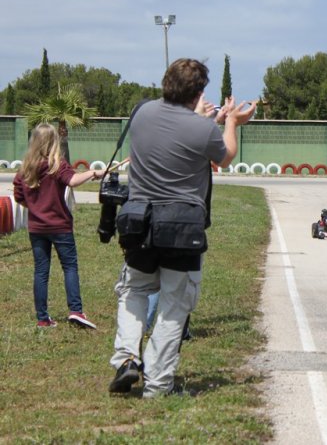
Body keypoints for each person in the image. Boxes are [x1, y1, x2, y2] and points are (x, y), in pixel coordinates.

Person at [108, 58, 255, 398]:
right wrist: (232, 122)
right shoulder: (203, 129)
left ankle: (127, 357)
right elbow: (225, 156)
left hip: (139, 221)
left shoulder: (140, 113)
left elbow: (174, 135)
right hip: (182, 227)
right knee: (174, 304)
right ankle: (158, 384)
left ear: (166, 83)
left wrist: (210, 120)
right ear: (199, 92)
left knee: (134, 290)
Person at [13, 123, 102, 329]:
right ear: (54, 142)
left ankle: (42, 318)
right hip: (60, 226)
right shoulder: (57, 165)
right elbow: (73, 180)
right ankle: (76, 310)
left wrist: (35, 207)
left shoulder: (25, 169)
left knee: (41, 271)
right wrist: (92, 173)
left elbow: (19, 196)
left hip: (37, 228)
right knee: (69, 266)